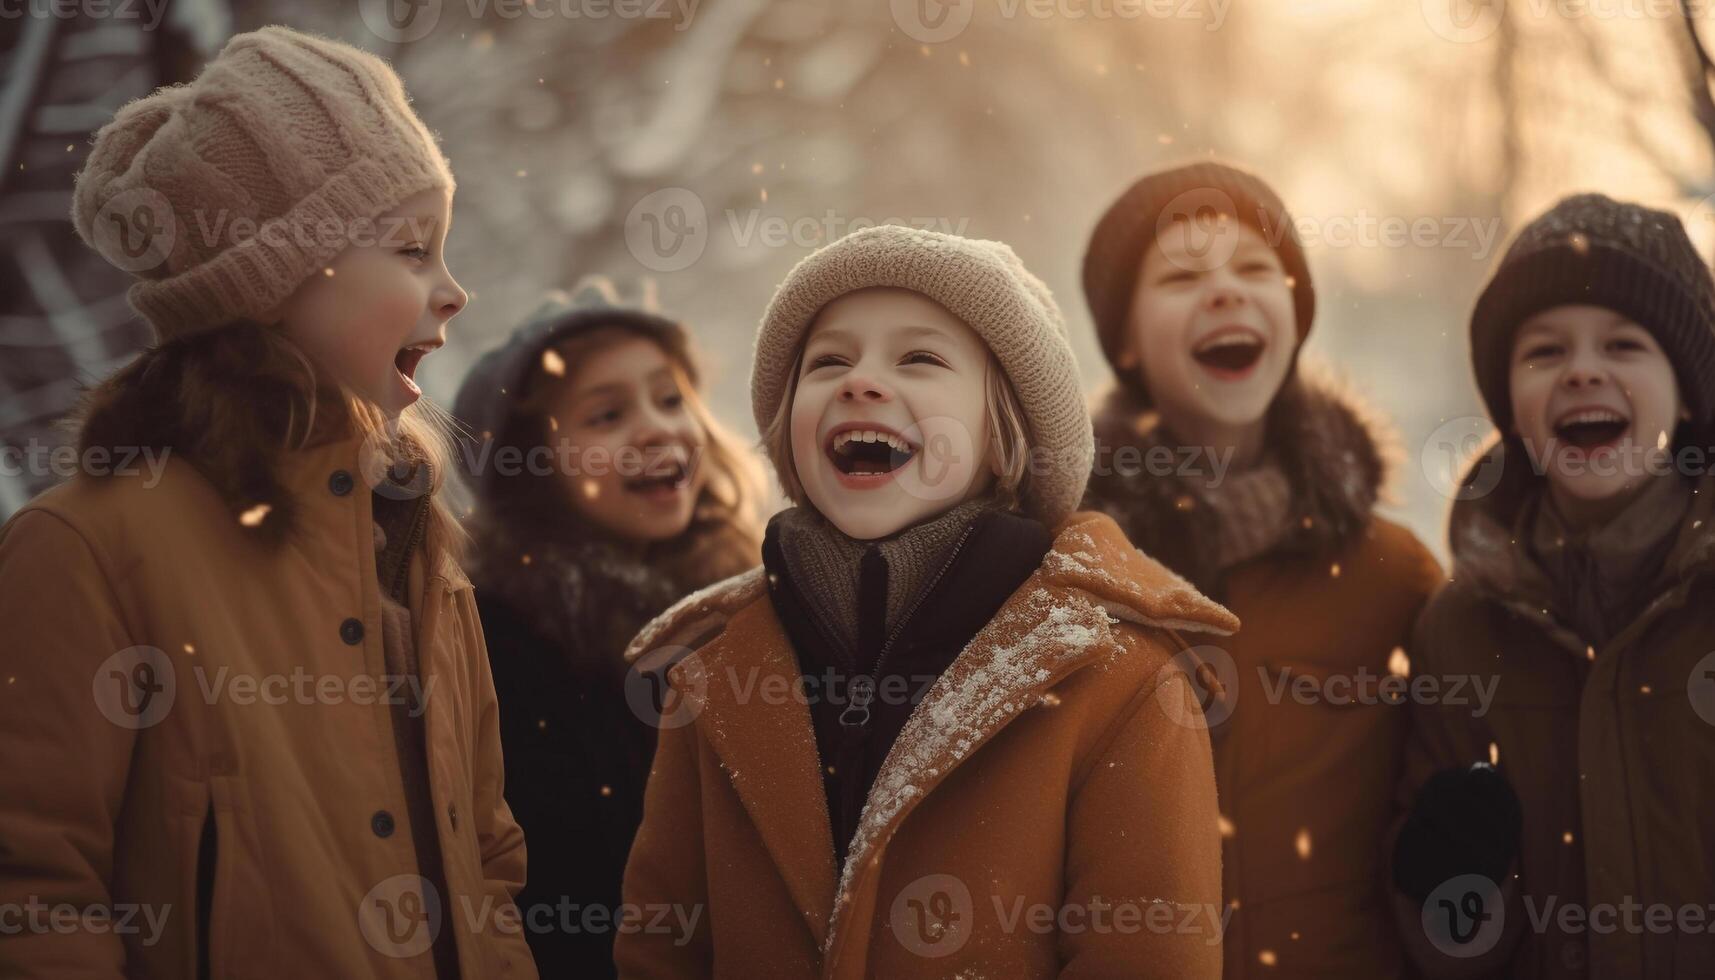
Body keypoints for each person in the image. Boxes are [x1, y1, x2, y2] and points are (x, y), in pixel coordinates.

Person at [0, 28, 536, 978]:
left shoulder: (416, 538)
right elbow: (34, 893)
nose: (453, 291)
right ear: (271, 284)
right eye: (412, 250)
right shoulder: (86, 549)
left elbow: (487, 860)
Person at [616, 225, 1232, 977]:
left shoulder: (1120, 677)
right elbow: (660, 949)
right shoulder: (712, 668)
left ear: (1003, 433)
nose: (860, 381)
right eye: (829, 361)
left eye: (920, 359)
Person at [1080, 161, 1444, 977]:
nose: (1225, 292)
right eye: (1180, 276)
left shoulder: (1393, 579)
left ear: (1293, 315)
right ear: (1127, 339)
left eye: (1254, 270)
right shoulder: (1070, 578)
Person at [1392, 193, 1715, 978]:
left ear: (1687, 395)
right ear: (1510, 408)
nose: (1581, 370)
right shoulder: (1462, 625)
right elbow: (1445, 953)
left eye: (1623, 344)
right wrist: (1452, 880)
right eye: (1543, 352)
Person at [451, 277, 760, 976]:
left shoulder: (752, 602)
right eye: (606, 415)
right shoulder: (507, 647)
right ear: (533, 470)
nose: (656, 426)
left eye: (670, 397)